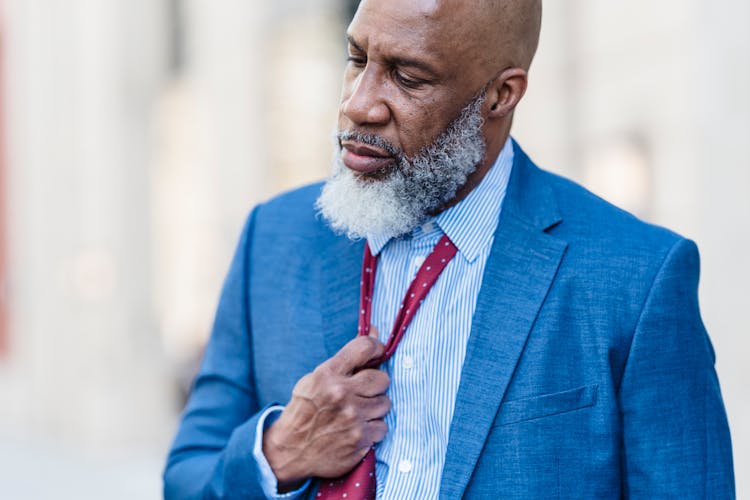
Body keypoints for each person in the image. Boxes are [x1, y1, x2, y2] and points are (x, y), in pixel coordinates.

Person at [163, 0, 735, 498]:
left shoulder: (635, 278)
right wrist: (279, 453)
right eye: (357, 59)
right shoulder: (274, 236)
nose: (359, 106)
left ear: (500, 95)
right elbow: (186, 479)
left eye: (407, 77)